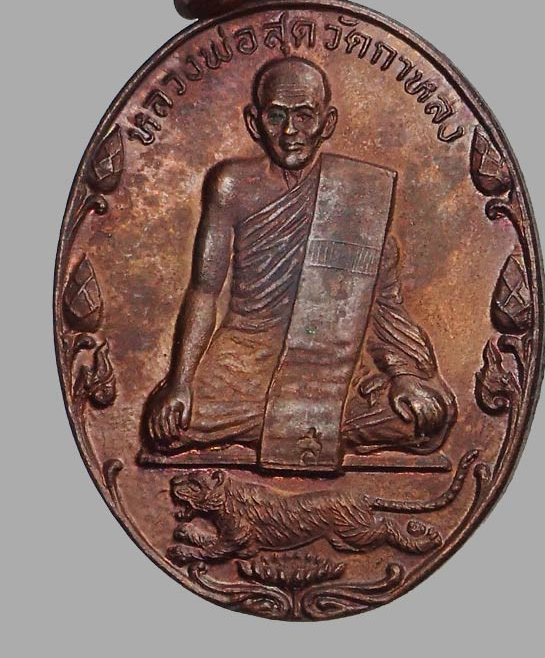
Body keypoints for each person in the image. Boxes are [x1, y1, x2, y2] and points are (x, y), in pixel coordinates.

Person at [143, 57, 456, 467]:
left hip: (330, 365)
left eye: (304, 116)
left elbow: (383, 308)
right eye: (276, 116)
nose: (290, 132)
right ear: (254, 123)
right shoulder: (232, 185)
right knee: (168, 427)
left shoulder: (362, 195)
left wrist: (404, 376)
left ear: (327, 123)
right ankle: (312, 425)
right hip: (244, 360)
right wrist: (181, 382)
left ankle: (289, 424)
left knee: (425, 415)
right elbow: (204, 291)